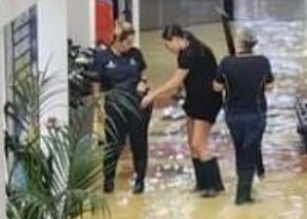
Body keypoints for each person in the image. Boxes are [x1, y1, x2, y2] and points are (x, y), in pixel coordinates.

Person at [142, 25, 225, 196]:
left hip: (207, 101)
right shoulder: (186, 47)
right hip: (194, 100)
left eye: (167, 44)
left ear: (176, 39)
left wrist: (153, 95)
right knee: (191, 144)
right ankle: (202, 183)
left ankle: (215, 185)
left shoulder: (191, 53)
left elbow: (175, 81)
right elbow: (182, 82)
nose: (168, 49)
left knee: (198, 143)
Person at [214, 27, 274, 205]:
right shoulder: (262, 62)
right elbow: (270, 86)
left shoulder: (227, 63)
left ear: (238, 42)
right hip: (256, 114)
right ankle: (243, 194)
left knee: (241, 150)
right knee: (250, 150)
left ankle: (247, 187)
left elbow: (217, 87)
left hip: (233, 115)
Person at [92, 21, 151, 194]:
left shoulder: (135, 54)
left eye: (132, 42)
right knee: (113, 144)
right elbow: (96, 83)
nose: (130, 46)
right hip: (115, 107)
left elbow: (144, 72)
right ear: (117, 40)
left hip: (137, 105)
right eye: (127, 42)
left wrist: (143, 82)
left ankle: (140, 181)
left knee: (139, 142)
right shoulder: (102, 57)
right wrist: (98, 107)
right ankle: (108, 180)